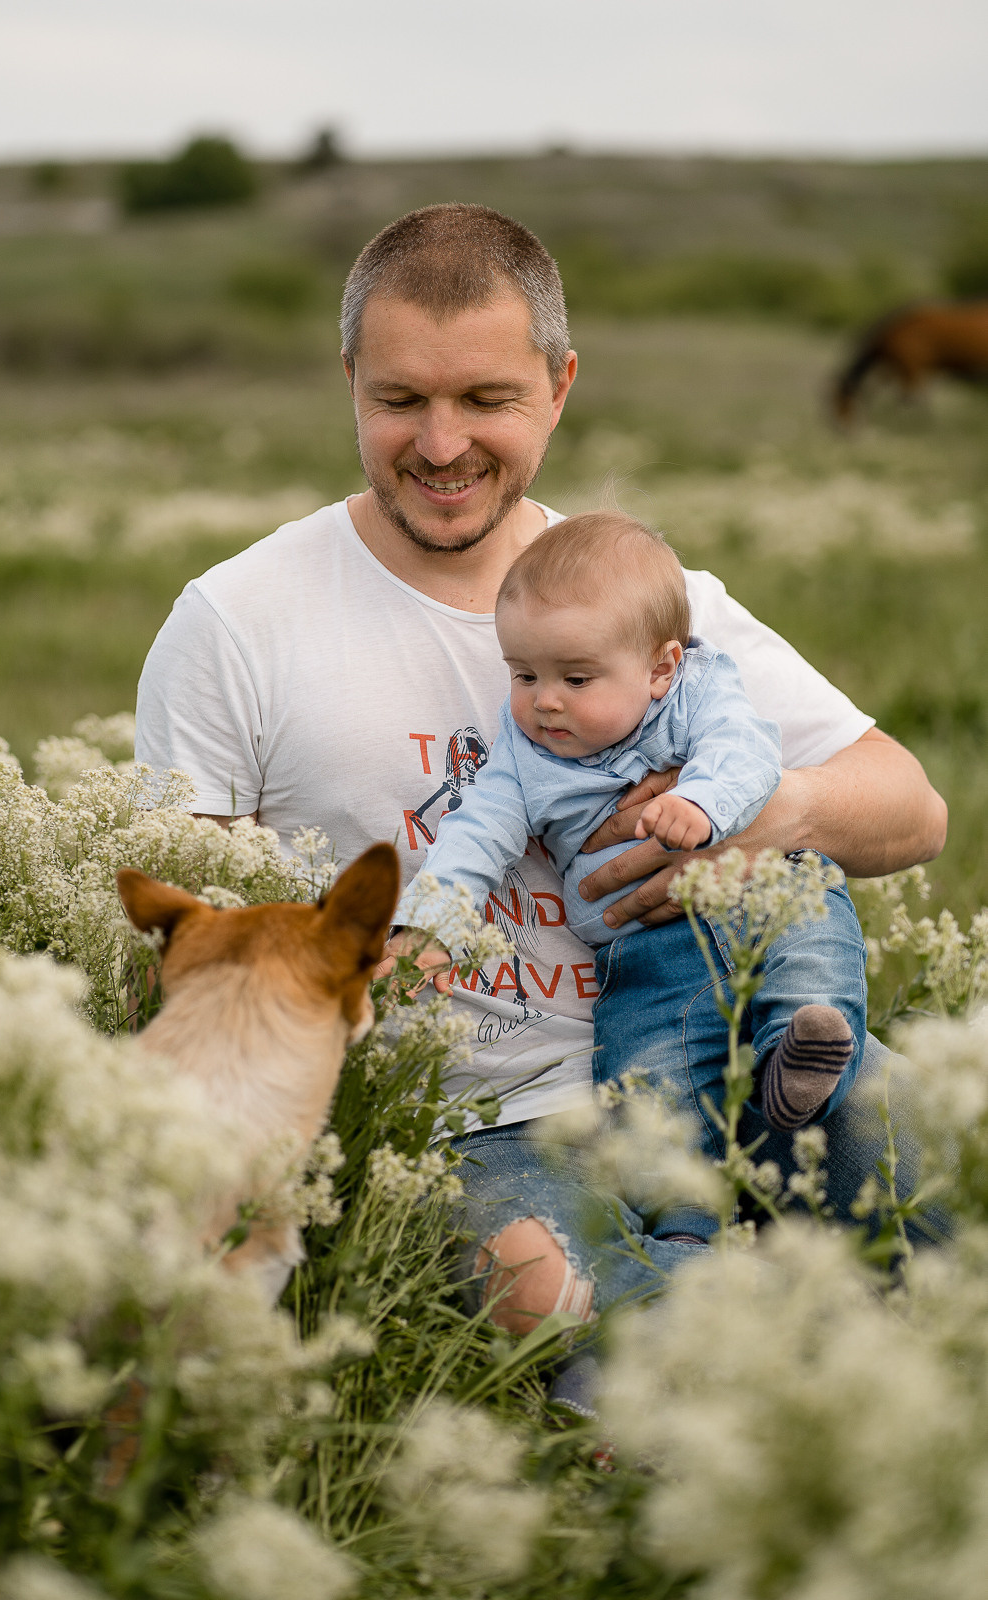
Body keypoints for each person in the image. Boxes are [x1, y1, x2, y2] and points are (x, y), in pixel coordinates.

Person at [135, 202, 946, 1347]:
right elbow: (188, 957)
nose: (441, 444)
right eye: (399, 399)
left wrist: (758, 819)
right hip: (473, 1123)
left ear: (559, 386)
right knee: (593, 1339)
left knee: (943, 1234)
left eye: (487, 400)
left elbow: (912, 805)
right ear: (348, 381)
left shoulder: (636, 593)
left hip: (722, 1055)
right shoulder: (236, 621)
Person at [384, 512, 867, 1242]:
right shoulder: (523, 753)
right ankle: (683, 1232)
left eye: (575, 678)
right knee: (650, 1085)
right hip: (643, 954)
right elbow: (474, 834)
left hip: (756, 888)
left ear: (660, 668)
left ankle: (801, 1048)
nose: (544, 699)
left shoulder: (700, 690)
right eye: (523, 675)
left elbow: (743, 746)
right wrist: (432, 927)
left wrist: (700, 803)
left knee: (811, 927)